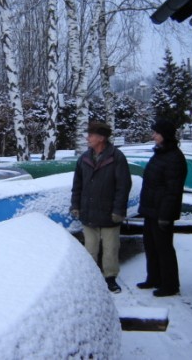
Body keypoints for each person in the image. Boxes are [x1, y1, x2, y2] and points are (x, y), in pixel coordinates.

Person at [70, 122, 132, 293]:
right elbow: (77, 185)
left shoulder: (117, 157)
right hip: (88, 212)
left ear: (102, 138)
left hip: (109, 213)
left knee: (111, 248)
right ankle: (91, 277)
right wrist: (75, 205)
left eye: (91, 135)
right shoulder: (84, 158)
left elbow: (123, 186)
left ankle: (110, 278)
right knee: (90, 248)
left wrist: (119, 211)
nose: (87, 138)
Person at [136, 119, 188, 297]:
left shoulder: (174, 157)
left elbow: (172, 191)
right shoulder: (160, 153)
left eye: (156, 133)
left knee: (164, 248)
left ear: (165, 135)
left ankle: (170, 284)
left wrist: (165, 215)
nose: (153, 135)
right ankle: (154, 278)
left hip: (162, 212)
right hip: (151, 210)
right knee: (150, 246)